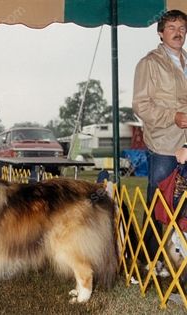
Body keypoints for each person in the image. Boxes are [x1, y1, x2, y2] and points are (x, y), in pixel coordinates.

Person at [132, 9, 187, 276]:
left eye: (182, 28)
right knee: (160, 200)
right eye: (173, 27)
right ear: (161, 33)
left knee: (183, 202)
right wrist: (172, 116)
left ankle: (179, 256)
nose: (179, 33)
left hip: (186, 144)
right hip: (164, 143)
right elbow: (141, 105)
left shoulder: (186, 61)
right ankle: (151, 260)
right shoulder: (149, 64)